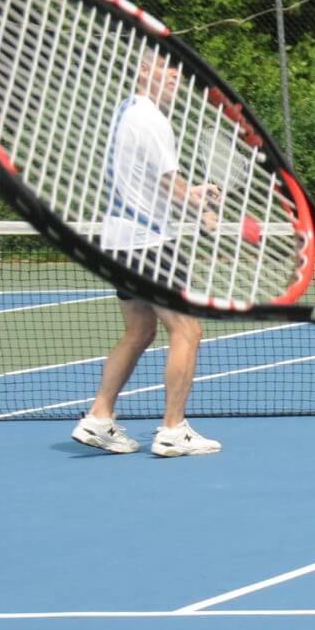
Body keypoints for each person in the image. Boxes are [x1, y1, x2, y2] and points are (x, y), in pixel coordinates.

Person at [71, 53, 222, 456]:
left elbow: (154, 183)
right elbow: (170, 185)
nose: (174, 77)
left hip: (119, 241)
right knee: (187, 331)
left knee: (140, 331)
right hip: (149, 243)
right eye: (165, 69)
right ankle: (173, 429)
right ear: (142, 69)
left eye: (177, 72)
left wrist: (192, 193)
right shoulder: (152, 119)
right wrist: (201, 207)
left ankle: (99, 418)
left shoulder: (128, 111)